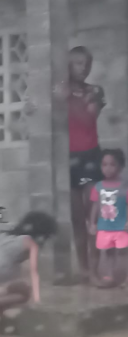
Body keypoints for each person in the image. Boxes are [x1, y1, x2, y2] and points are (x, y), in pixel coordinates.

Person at [0, 211, 58, 337]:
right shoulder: (30, 242)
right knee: (24, 293)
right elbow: (33, 271)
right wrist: (37, 299)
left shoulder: (2, 235)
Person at [67, 46, 106, 281]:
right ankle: (83, 269)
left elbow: (88, 117)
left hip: (90, 156)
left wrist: (68, 99)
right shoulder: (59, 90)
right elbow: (38, 108)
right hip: (69, 157)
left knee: (94, 216)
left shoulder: (95, 91)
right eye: (79, 63)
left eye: (87, 63)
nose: (84, 68)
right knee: (76, 217)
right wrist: (31, 108)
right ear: (69, 66)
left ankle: (94, 268)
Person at [89, 149, 128, 288]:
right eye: (104, 165)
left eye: (112, 164)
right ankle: (109, 275)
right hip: (104, 227)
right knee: (109, 252)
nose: (108, 168)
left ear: (121, 167)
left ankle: (123, 277)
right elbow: (96, 205)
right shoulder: (98, 187)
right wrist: (93, 223)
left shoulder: (124, 187)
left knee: (123, 252)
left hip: (121, 226)